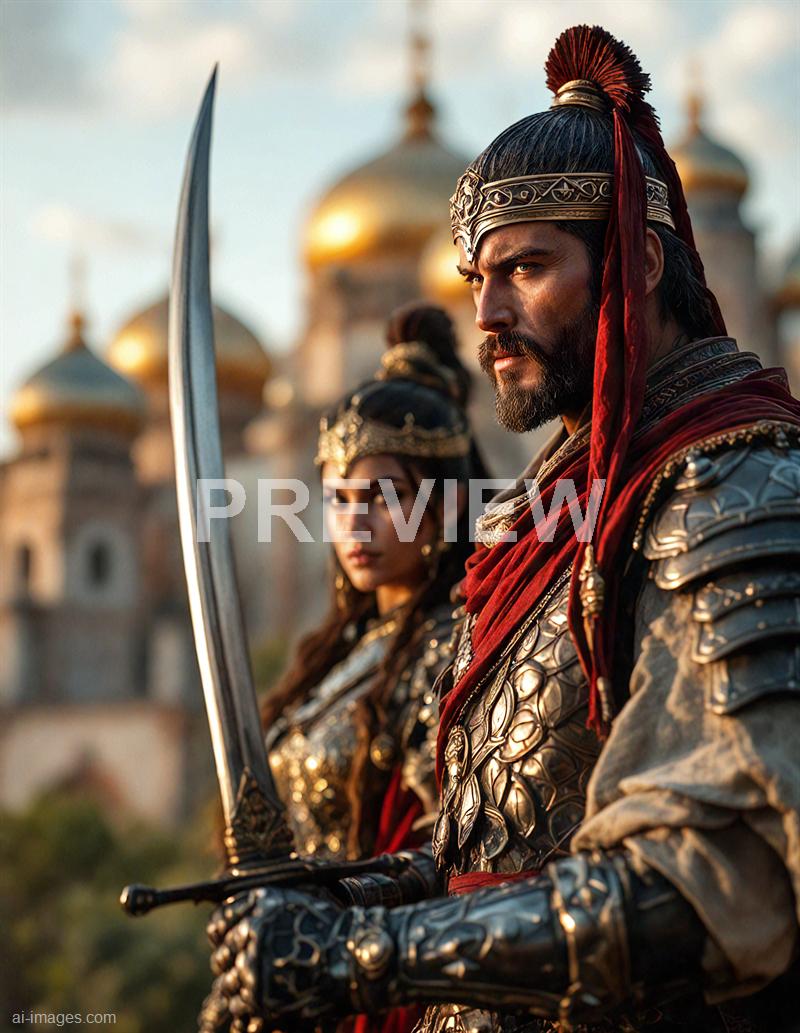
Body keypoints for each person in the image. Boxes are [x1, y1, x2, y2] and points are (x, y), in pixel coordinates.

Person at [204, 26, 800, 1033]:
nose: (484, 312)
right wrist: (348, 894)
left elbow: (720, 886)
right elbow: (503, 835)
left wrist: (365, 952)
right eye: (475, 279)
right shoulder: (557, 508)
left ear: (638, 263)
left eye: (524, 269)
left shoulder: (732, 487)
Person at [199, 301, 488, 1032]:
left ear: (447, 504)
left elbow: (461, 855)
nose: (356, 524)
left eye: (387, 497)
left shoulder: (464, 645)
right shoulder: (339, 656)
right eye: (339, 498)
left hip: (381, 988)